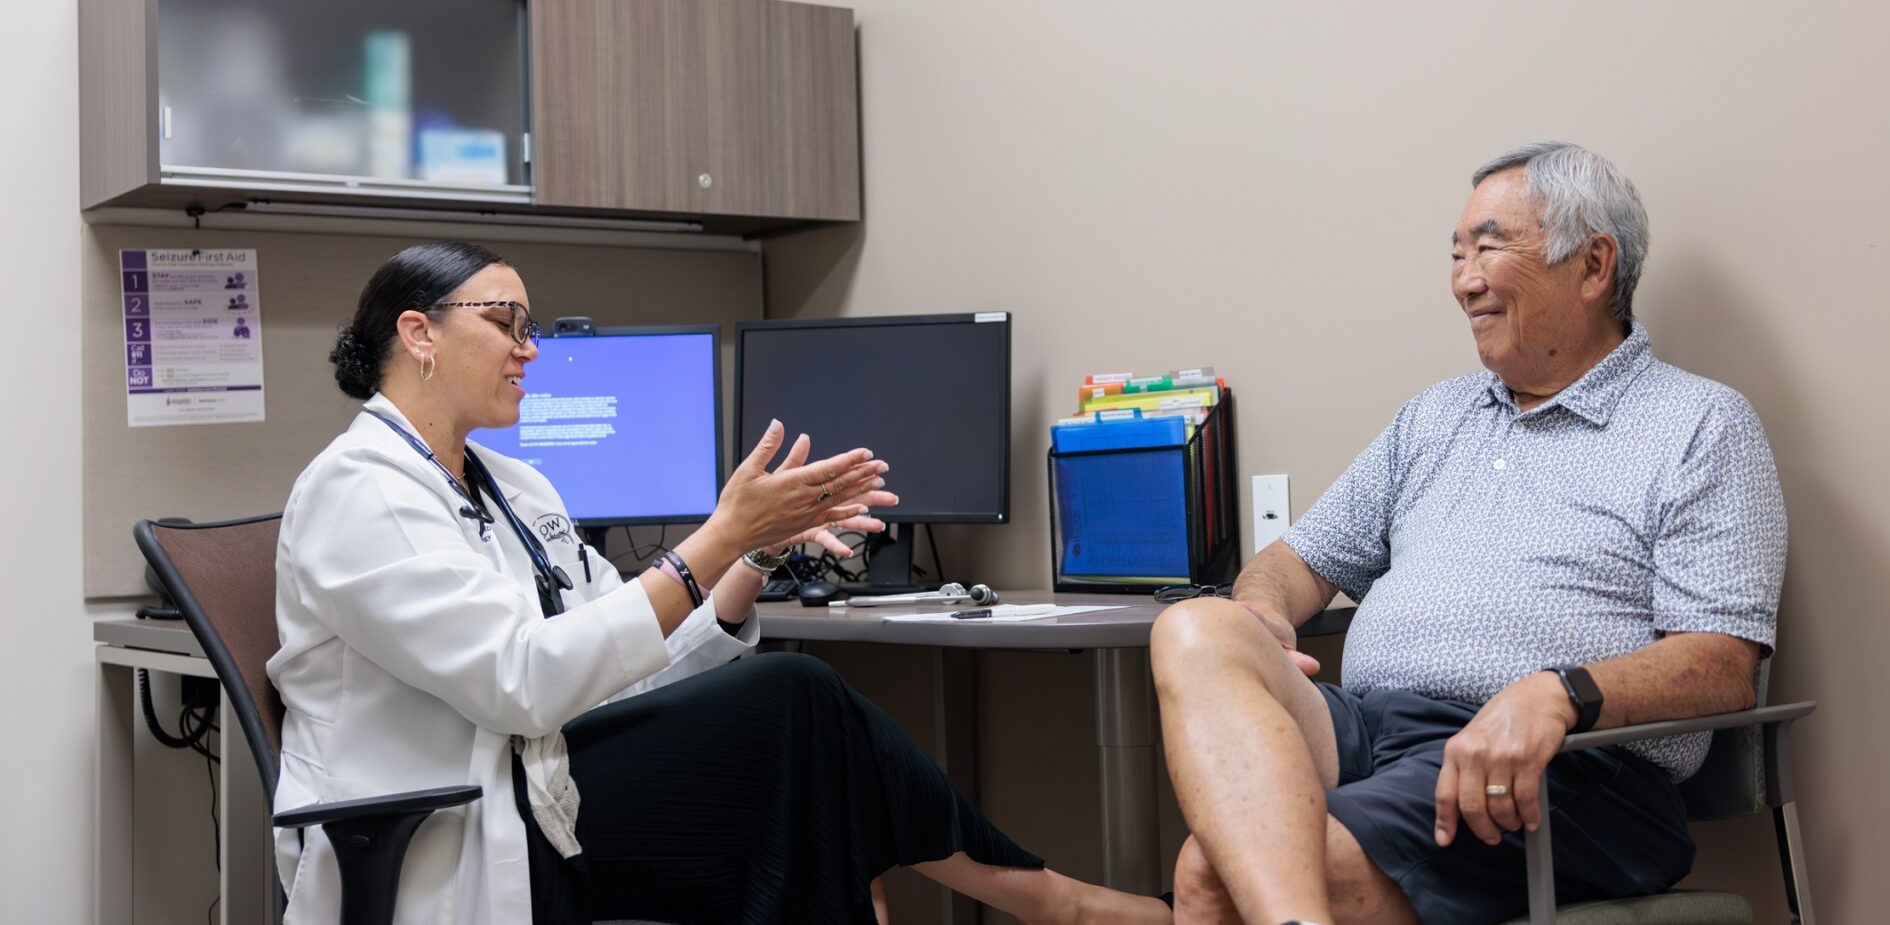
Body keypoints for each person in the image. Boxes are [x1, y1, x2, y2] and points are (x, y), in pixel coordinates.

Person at [270, 241, 1172, 925]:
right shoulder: (358, 490)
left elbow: (625, 666)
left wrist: (756, 554)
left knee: (793, 719)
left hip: (546, 793)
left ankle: (1061, 902)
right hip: (458, 836)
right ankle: (1061, 902)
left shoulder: (517, 487)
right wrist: (714, 539)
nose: (529, 350)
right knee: (792, 708)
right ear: (418, 333)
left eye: (529, 327)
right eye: (506, 323)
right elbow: (525, 682)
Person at [1152, 143, 1787, 925]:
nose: (1464, 279)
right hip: (1371, 731)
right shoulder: (1435, 417)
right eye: (1457, 253)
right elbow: (1293, 561)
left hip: (1566, 769)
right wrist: (1263, 614)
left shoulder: (1699, 424)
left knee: (1208, 873)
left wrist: (1557, 693)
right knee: (1195, 626)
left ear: (1593, 266)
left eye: (1489, 246)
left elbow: (1721, 664)